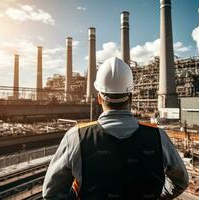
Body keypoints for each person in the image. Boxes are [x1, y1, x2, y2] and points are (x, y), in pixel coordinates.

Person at [43, 57, 189, 199]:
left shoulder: (76, 136)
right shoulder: (157, 136)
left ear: (99, 98)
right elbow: (180, 181)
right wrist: (159, 196)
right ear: (130, 97)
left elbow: (51, 193)